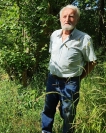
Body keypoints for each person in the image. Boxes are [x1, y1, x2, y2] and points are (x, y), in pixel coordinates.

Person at [41, 5, 97, 133]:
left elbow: (92, 62)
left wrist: (78, 78)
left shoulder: (84, 38)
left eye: (71, 16)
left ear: (76, 19)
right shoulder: (54, 35)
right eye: (64, 16)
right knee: (48, 109)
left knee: (68, 113)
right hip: (52, 80)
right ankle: (46, 131)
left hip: (70, 83)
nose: (67, 19)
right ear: (60, 19)